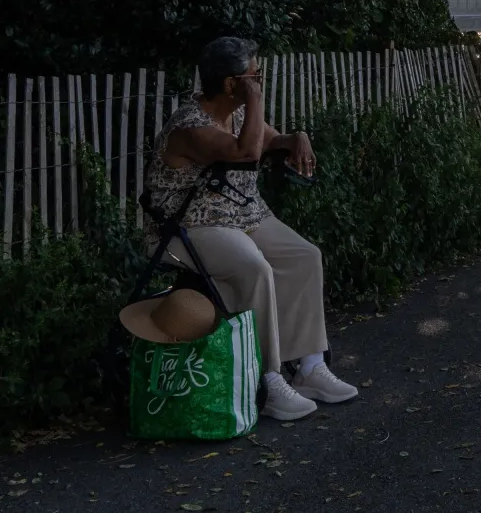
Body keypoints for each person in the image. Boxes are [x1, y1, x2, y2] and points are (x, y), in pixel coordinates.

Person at [147, 36, 359, 421]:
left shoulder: (240, 115)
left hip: (245, 218)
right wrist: (256, 97)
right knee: (254, 268)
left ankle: (310, 367)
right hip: (190, 228)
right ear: (232, 84)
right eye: (254, 75)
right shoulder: (190, 127)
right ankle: (268, 378)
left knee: (304, 257)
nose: (259, 80)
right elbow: (245, 152)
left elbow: (271, 139)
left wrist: (298, 139)